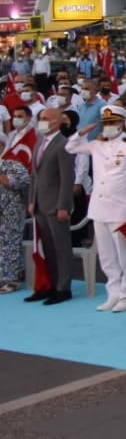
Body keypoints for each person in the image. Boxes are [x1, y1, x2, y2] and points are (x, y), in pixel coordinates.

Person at [64, 104, 126, 312]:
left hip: (121, 208)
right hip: (99, 208)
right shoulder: (96, 145)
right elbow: (70, 148)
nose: (109, 126)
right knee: (107, 255)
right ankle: (113, 293)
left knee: (124, 255)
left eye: (113, 122)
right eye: (106, 123)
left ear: (122, 124)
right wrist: (81, 133)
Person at [26, 107, 75, 304]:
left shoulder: (63, 144)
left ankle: (64, 288)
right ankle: (51, 285)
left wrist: (64, 205)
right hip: (40, 203)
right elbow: (34, 175)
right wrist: (31, 199)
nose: (42, 121)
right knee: (48, 248)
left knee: (61, 248)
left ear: (56, 121)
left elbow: (67, 179)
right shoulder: (40, 142)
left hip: (56, 205)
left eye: (46, 118)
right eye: (41, 118)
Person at [0, 147, 29, 294]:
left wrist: (5, 179)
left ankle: (11, 280)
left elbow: (25, 181)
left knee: (10, 245)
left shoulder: (12, 164)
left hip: (10, 212)